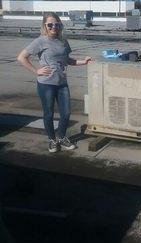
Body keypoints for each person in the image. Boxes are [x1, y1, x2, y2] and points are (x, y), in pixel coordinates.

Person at [17, 12, 91, 153]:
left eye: (56, 24)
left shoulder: (63, 40)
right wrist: (36, 71)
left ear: (60, 26)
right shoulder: (40, 41)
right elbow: (21, 57)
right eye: (50, 24)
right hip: (46, 84)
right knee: (49, 113)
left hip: (62, 82)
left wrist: (84, 62)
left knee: (66, 113)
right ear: (45, 26)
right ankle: (52, 140)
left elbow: (67, 60)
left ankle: (61, 137)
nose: (53, 27)